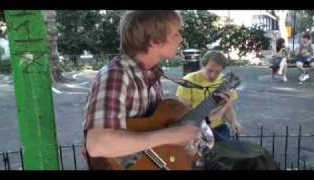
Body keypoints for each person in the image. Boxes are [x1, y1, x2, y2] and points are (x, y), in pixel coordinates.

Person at [82, 10, 234, 170]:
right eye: (176, 33)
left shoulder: (150, 76)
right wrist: (171, 135)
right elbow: (98, 144)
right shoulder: (116, 75)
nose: (181, 39)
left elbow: (157, 127)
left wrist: (214, 111)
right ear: (154, 40)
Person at [176, 50, 243, 143]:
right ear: (203, 66)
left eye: (217, 72)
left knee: (224, 153)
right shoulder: (189, 80)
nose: (213, 75)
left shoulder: (226, 83)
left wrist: (234, 121)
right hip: (196, 127)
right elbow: (183, 111)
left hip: (219, 127)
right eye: (209, 70)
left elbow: (228, 107)